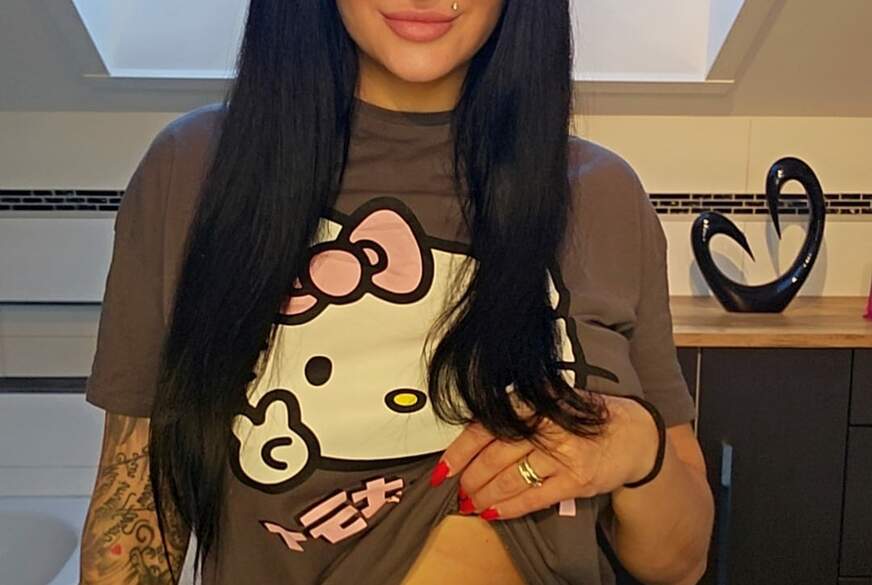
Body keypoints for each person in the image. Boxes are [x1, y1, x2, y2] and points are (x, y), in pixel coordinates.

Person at [79, 1, 714, 584]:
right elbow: (134, 519)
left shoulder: (604, 194)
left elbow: (681, 563)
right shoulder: (195, 170)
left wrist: (638, 447)